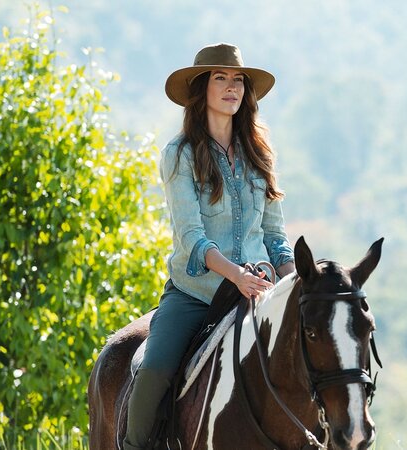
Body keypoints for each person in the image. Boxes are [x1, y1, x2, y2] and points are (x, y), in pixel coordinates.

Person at [123, 42, 296, 450]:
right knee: (156, 369)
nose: (232, 87)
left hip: (258, 294)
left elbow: (275, 237)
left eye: (238, 80)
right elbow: (191, 237)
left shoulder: (260, 156)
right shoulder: (179, 155)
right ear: (201, 89)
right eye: (221, 78)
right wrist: (235, 275)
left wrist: (295, 284)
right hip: (195, 294)